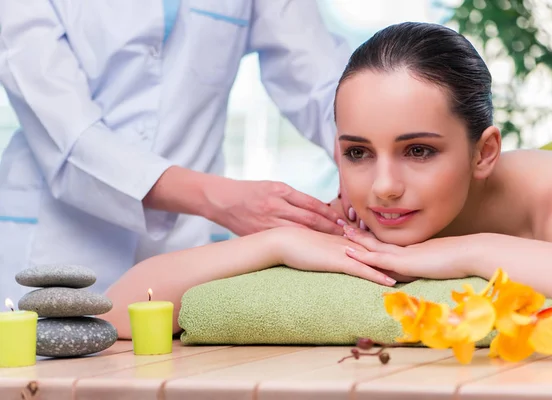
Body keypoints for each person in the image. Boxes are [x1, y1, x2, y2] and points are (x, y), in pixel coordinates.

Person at [103, 21, 552, 338]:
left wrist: (470, 251)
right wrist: (278, 243)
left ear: (484, 151)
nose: (383, 184)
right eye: (358, 152)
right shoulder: (365, 211)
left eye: (419, 150)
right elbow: (114, 312)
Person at [0, 0, 355, 303]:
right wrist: (222, 199)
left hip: (188, 247)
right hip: (59, 236)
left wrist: (360, 153)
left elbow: (317, 75)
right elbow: (67, 131)